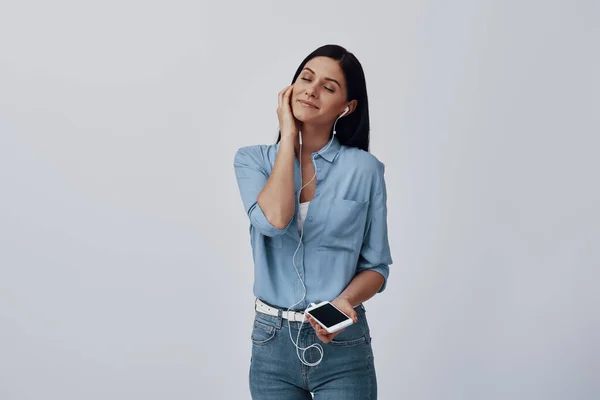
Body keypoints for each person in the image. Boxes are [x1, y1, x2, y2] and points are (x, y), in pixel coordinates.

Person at [233, 44, 393, 400]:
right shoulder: (252, 161)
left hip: (343, 346)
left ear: (347, 107)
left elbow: (377, 266)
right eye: (306, 78)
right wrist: (289, 136)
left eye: (328, 87)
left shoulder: (365, 170)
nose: (312, 89)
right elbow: (274, 222)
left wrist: (345, 302)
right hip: (271, 344)